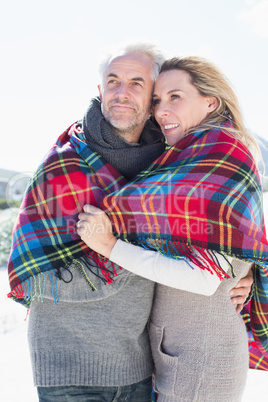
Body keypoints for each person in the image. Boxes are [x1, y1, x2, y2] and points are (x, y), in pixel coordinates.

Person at [7, 45, 253, 402]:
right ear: (100, 91)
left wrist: (242, 270)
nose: (123, 92)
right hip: (71, 365)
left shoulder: (172, 163)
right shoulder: (65, 163)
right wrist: (123, 257)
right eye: (113, 81)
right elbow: (41, 273)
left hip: (143, 365)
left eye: (138, 84)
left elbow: (229, 229)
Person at [77, 56, 268, 401]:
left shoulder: (221, 154)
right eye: (157, 100)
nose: (161, 110)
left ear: (211, 101)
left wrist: (108, 245)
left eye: (175, 97)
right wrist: (246, 268)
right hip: (180, 351)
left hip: (202, 359)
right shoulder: (186, 156)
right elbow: (231, 240)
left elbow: (203, 277)